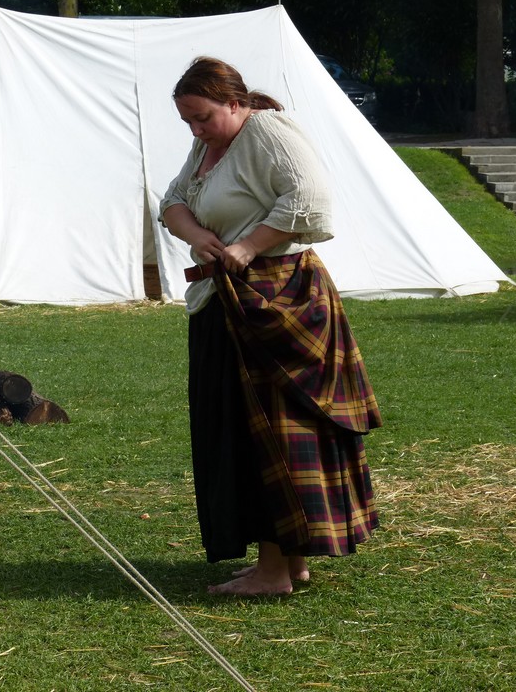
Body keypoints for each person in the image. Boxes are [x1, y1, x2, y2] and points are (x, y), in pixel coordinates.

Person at [159, 57, 381, 596]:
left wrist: (246, 245)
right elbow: (172, 202)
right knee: (244, 428)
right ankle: (287, 563)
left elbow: (311, 201)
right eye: (187, 120)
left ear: (237, 103)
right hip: (228, 297)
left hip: (279, 296)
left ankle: (275, 571)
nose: (195, 129)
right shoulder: (210, 145)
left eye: (204, 117)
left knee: (277, 431)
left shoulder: (266, 131)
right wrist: (198, 237)